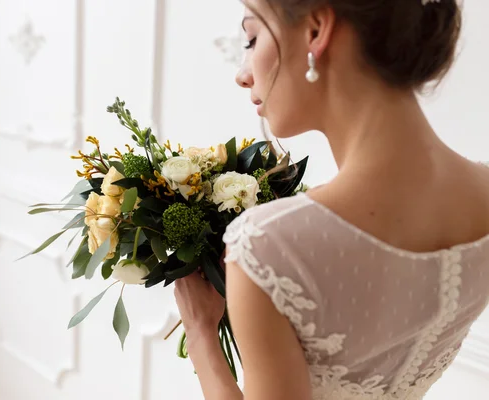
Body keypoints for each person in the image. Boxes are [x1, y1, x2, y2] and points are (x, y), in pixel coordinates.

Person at [173, 0, 489, 399]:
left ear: (316, 30)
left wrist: (201, 333)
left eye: (252, 38)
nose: (242, 74)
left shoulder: (268, 244)